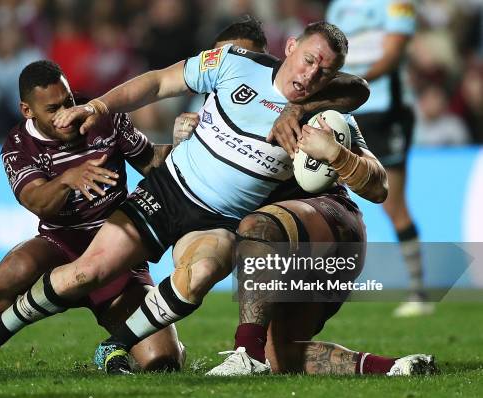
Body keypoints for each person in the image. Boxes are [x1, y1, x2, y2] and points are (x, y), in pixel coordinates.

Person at [0, 22, 376, 375]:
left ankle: (117, 344)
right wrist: (97, 108)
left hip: (221, 220)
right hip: (167, 192)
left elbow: (360, 89)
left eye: (324, 70)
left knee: (200, 274)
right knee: (85, 273)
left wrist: (298, 113)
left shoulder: (327, 112)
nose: (310, 74)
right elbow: (156, 83)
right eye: (308, 60)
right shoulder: (233, 64)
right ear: (291, 46)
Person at [172, 18, 436, 377]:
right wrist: (176, 146)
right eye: (223, 59)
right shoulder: (213, 117)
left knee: (259, 225)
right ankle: (395, 368)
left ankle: (244, 355)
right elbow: (175, 184)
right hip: (283, 251)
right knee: (281, 355)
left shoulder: (318, 109)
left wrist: (337, 154)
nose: (234, 68)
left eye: (245, 59)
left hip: (330, 225)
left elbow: (378, 186)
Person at [0, 60, 184, 373]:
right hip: (61, 247)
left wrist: (185, 147)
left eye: (69, 102)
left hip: (117, 252)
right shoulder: (19, 145)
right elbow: (37, 201)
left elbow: (150, 162)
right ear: (28, 111)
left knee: (164, 362)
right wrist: (67, 179)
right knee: (17, 266)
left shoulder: (105, 119)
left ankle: (122, 350)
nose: (66, 114)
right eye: (53, 109)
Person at [327, 0, 433, 317]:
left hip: (388, 112)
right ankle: (340, 284)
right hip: (349, 113)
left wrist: (348, 84)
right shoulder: (338, 7)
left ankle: (419, 292)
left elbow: (392, 54)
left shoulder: (396, 3)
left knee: (393, 204)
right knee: (336, 196)